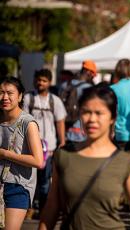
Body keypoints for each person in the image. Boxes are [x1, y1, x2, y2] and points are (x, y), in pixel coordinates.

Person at [39, 85, 130, 229]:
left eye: (99, 113)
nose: (92, 119)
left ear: (112, 118)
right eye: (86, 112)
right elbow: (52, 207)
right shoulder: (64, 156)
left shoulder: (125, 162)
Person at [0, 76, 43, 229]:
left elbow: (38, 161)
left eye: (9, 93)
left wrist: (5, 154)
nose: (4, 97)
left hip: (18, 186)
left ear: (19, 96)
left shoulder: (28, 123)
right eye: (1, 92)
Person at [23, 69, 66, 215]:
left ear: (49, 82)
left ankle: (43, 210)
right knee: (29, 178)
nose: (40, 83)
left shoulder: (55, 100)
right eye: (38, 80)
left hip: (49, 148)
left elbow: (60, 122)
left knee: (45, 181)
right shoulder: (28, 98)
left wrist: (62, 141)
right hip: (29, 146)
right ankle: (28, 208)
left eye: (44, 80)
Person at [59, 60, 96, 150]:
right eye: (93, 75)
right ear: (89, 72)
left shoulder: (64, 85)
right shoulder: (88, 88)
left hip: (64, 132)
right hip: (81, 134)